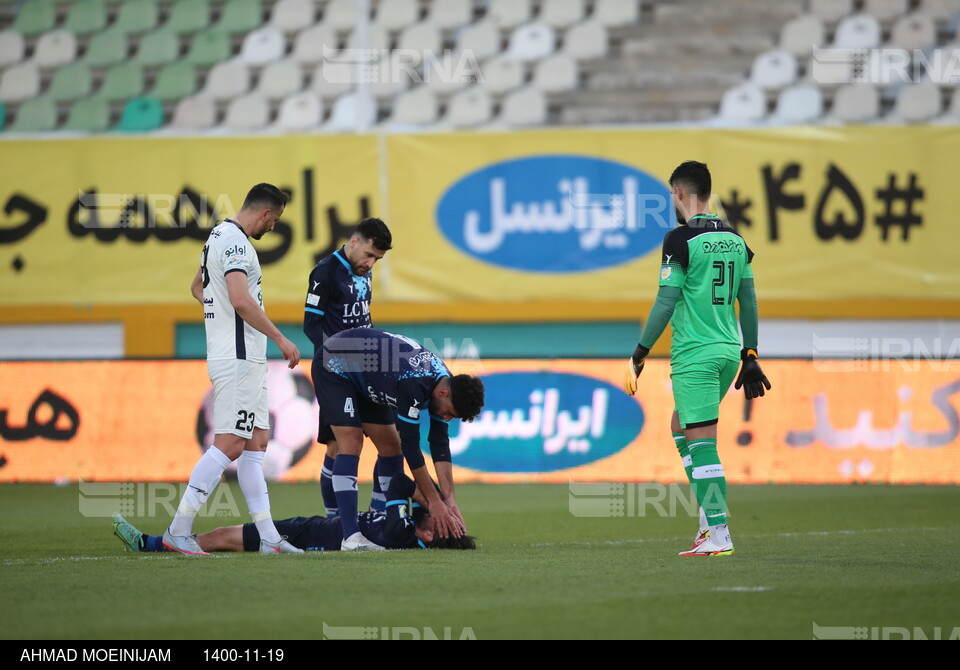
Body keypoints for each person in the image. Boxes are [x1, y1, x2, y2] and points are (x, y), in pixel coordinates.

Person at [622, 161, 771, 558]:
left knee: (702, 444)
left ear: (680, 194)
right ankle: (709, 524)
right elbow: (749, 301)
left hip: (695, 356)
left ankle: (718, 533)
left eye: (673, 194)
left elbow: (666, 300)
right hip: (726, 354)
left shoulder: (679, 240)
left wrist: (640, 353)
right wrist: (750, 353)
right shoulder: (736, 240)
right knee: (681, 426)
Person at [165, 183, 303, 557]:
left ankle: (270, 538)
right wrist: (280, 338)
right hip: (239, 358)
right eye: (274, 220)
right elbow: (241, 299)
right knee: (229, 444)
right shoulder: (238, 244)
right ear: (264, 213)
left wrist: (220, 314)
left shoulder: (217, 237)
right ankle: (177, 530)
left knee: (256, 444)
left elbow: (198, 287)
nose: (273, 227)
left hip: (246, 358)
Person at [318, 327, 485, 550]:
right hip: (335, 362)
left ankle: (377, 520)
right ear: (443, 394)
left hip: (367, 375)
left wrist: (449, 500)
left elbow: (439, 443)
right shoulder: (415, 384)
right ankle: (348, 534)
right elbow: (412, 448)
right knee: (351, 441)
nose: (446, 418)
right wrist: (434, 502)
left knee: (391, 447)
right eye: (450, 413)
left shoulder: (445, 386)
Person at [112, 475, 476, 553]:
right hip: (311, 528)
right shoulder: (408, 530)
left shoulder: (402, 531)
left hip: (305, 538)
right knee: (225, 534)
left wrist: (434, 501)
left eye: (436, 523)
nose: (431, 516)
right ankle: (156, 542)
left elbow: (398, 481)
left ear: (429, 535)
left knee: (224, 535)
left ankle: (150, 544)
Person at [303, 219, 397, 517]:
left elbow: (361, 318)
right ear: (354, 242)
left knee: (391, 443)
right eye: (369, 255)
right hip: (337, 373)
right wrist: (337, 358)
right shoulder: (325, 272)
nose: (371, 264)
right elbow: (311, 325)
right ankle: (337, 521)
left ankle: (377, 516)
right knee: (341, 446)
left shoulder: (363, 272)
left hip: (368, 369)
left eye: (377, 260)